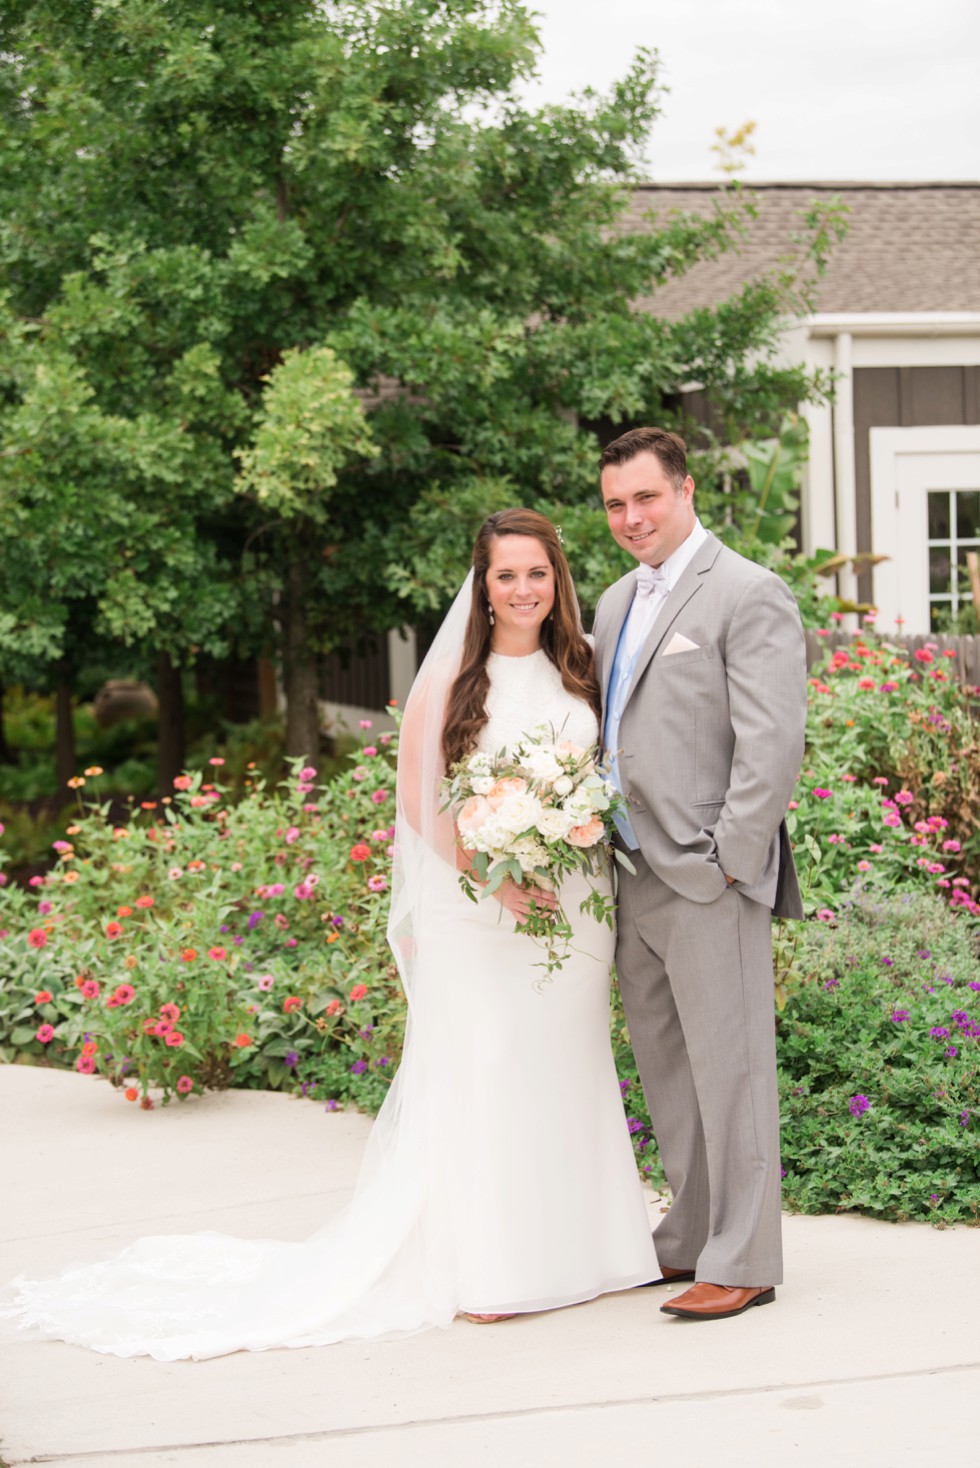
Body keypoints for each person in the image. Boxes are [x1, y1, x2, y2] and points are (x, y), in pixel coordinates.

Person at [1, 508, 655, 1359]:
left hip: (572, 906)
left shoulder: (587, 670)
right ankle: (493, 1268)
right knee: (489, 1068)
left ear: (556, 581)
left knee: (568, 1063)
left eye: (537, 573)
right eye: (506, 575)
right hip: (481, 908)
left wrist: (562, 844)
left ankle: (592, 1250)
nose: (524, 589)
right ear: (483, 586)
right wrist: (493, 871)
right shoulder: (453, 681)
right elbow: (419, 799)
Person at [593, 427, 807, 1322]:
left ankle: (747, 1258)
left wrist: (726, 861)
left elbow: (772, 744)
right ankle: (689, 1233)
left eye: (646, 497)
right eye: (615, 505)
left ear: (684, 490)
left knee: (734, 1071)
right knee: (668, 1069)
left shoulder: (749, 594)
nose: (631, 517)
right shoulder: (611, 603)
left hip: (708, 876)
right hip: (629, 870)